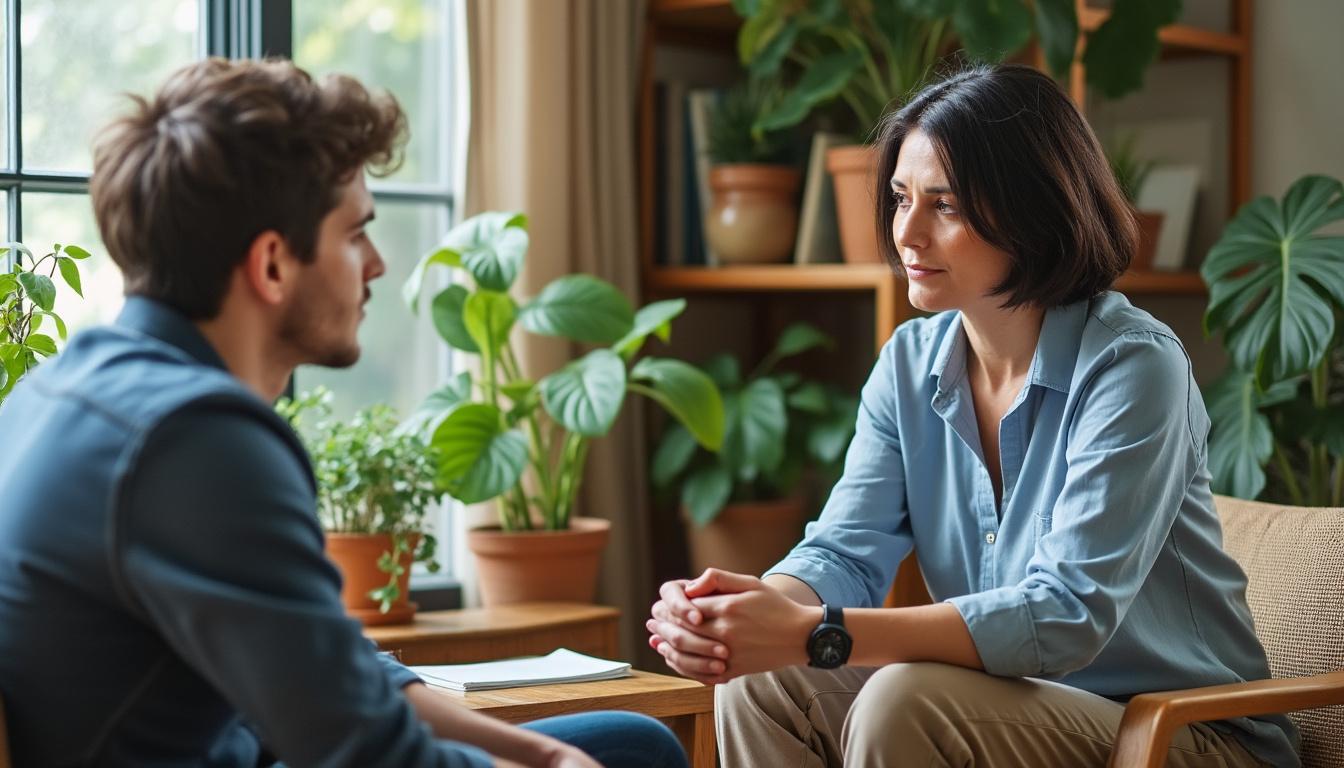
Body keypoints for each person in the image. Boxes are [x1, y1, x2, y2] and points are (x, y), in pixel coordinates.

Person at [0, 57, 686, 768]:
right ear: (272, 265)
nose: (379, 264)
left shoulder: (65, 387)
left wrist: (544, 758)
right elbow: (367, 751)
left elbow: (333, 667)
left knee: (631, 745)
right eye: (355, 233)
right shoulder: (194, 440)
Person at [647, 64, 1299, 768]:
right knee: (762, 684)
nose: (908, 234)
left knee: (901, 701)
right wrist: (749, 616)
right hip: (1014, 701)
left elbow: (1065, 614)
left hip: (1184, 734)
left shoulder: (1134, 368)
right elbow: (843, 551)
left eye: (945, 206)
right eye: (900, 199)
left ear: (1032, 212)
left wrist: (815, 631)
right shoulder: (908, 362)